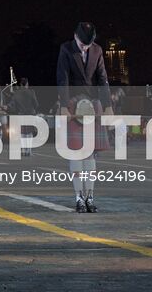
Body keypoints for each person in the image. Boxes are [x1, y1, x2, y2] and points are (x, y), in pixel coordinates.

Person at [56, 21, 112, 212]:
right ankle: (78, 198)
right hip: (72, 105)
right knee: (76, 152)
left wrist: (108, 106)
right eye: (82, 45)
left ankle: (90, 198)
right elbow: (62, 78)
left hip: (92, 106)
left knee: (89, 153)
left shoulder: (97, 51)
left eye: (87, 45)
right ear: (75, 36)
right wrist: (63, 106)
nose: (85, 48)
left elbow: (103, 79)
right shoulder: (65, 49)